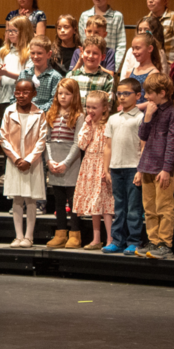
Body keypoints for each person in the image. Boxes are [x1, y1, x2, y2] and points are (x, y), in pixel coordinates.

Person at [137, 72, 174, 259]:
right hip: (147, 165)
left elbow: (173, 144)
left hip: (162, 169)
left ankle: (165, 243)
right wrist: (147, 116)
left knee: (163, 207)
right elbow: (142, 135)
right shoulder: (151, 111)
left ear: (162, 93)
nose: (146, 97)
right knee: (149, 208)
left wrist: (166, 169)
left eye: (149, 93)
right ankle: (153, 241)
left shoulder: (173, 114)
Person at [0, 78, 48, 248]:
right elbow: (3, 137)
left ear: (34, 94)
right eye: (18, 92)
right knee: (17, 198)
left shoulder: (39, 114)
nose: (21, 95)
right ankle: (18, 236)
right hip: (15, 161)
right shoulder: (9, 112)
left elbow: (42, 140)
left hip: (32, 162)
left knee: (30, 198)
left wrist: (28, 159)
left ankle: (29, 236)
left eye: (26, 92)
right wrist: (16, 159)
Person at [102, 79, 145, 255]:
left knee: (134, 208)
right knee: (119, 207)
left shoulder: (141, 118)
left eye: (126, 93)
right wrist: (106, 169)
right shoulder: (113, 118)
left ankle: (134, 241)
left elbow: (143, 146)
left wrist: (140, 170)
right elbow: (108, 146)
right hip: (116, 168)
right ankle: (117, 240)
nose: (122, 97)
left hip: (133, 167)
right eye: (119, 93)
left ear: (137, 95)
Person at [44, 78, 85, 250]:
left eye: (67, 94)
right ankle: (60, 233)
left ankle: (75, 234)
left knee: (73, 200)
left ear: (74, 96)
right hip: (54, 163)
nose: (63, 97)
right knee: (59, 201)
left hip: (71, 163)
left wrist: (66, 163)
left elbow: (78, 142)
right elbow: (45, 140)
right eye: (60, 93)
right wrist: (49, 161)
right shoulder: (51, 113)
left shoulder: (79, 116)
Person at [75, 90, 114, 250]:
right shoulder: (88, 124)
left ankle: (111, 239)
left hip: (103, 164)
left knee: (106, 204)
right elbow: (81, 144)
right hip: (89, 165)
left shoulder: (109, 124)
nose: (90, 111)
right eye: (88, 107)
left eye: (94, 107)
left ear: (104, 108)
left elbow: (111, 147)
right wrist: (87, 125)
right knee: (94, 203)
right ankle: (96, 238)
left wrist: (108, 168)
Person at [79, 0, 126, 72]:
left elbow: (121, 45)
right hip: (88, 65)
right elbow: (82, 42)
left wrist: (113, 68)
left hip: (108, 66)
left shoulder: (117, 16)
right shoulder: (85, 16)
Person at [0, 15, 32, 111]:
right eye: (9, 31)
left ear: (24, 32)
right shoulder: (3, 51)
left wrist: (6, 73)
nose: (10, 33)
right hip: (5, 97)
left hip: (22, 97)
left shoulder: (30, 51)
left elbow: (27, 76)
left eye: (14, 31)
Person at [19, 35, 61, 114]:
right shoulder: (24, 74)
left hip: (44, 117)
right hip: (24, 114)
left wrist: (35, 109)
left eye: (39, 53)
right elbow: (15, 97)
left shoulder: (55, 77)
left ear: (49, 54)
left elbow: (54, 102)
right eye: (32, 53)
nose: (35, 56)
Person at [66, 36, 114, 101]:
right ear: (82, 53)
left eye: (95, 53)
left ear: (102, 57)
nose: (90, 56)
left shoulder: (108, 79)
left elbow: (108, 103)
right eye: (88, 52)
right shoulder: (71, 76)